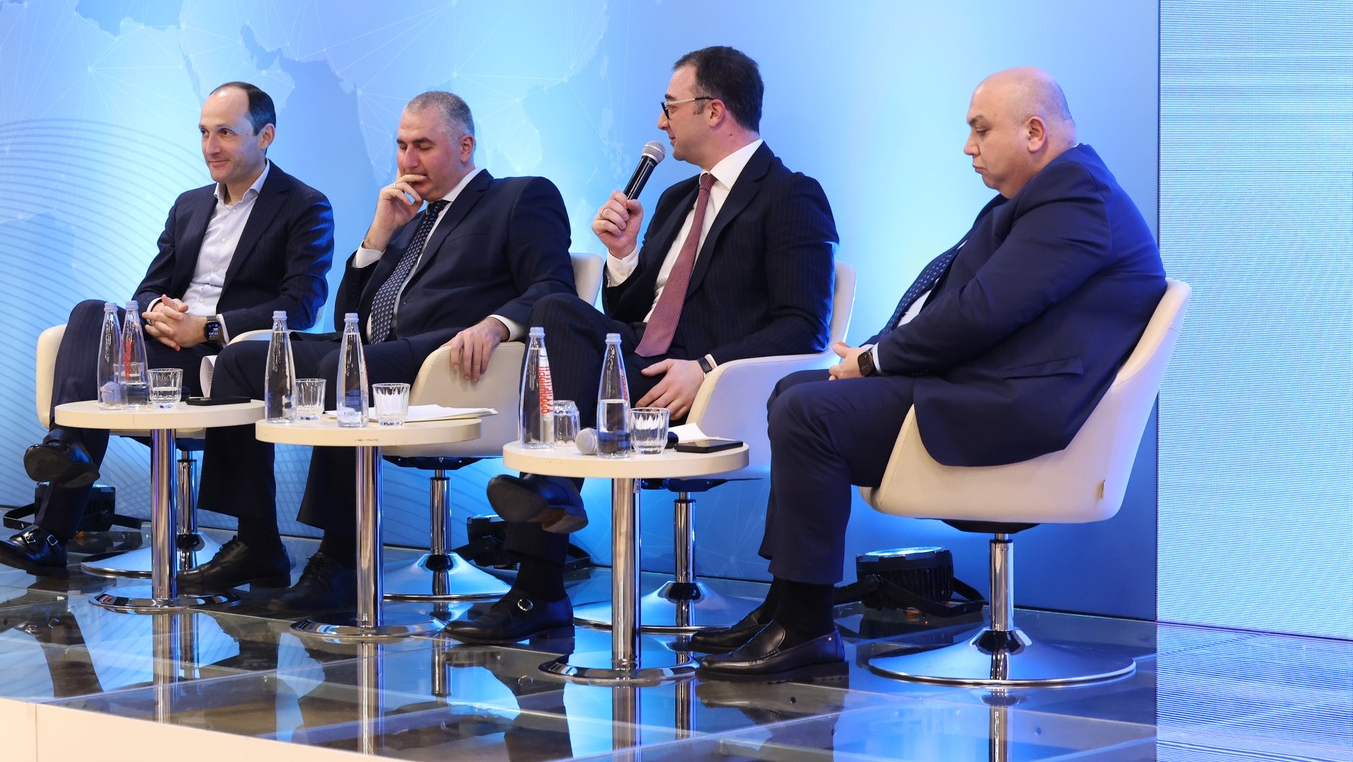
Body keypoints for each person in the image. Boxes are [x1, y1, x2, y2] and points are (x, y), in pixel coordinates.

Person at [694, 68, 1166, 680]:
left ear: (1034, 132)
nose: (968, 147)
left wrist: (877, 360)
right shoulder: (1040, 197)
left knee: (810, 412)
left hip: (1018, 405)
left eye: (980, 130)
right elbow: (962, 306)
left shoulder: (1076, 196)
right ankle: (786, 605)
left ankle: (806, 627)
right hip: (988, 383)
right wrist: (870, 356)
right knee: (798, 391)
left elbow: (985, 312)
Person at [447, 45, 837, 642]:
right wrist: (624, 255)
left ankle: (538, 581)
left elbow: (803, 324)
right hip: (641, 365)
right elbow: (632, 316)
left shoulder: (790, 195)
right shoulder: (678, 198)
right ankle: (552, 499)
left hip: (714, 387)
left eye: (669, 106)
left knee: (567, 350)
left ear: (713, 111)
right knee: (554, 309)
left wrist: (707, 367)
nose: (660, 121)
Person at [182, 90, 575, 611]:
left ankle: (340, 561)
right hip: (374, 350)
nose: (408, 160)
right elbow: (349, 317)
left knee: (341, 369)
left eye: (423, 146)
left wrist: (496, 326)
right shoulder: (409, 215)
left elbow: (553, 287)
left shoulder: (519, 197)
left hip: (444, 357)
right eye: (401, 145)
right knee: (241, 360)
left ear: (465, 146)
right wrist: (378, 234)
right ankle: (258, 543)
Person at [0, 81, 334, 575]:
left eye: (226, 133)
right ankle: (64, 447)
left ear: (266, 135)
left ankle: (52, 525)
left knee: (98, 373)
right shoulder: (189, 204)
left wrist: (206, 329)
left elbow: (301, 306)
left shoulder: (304, 205)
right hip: (167, 344)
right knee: (91, 311)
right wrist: (156, 313)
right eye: (204, 132)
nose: (211, 147)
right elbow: (148, 288)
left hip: (228, 360)